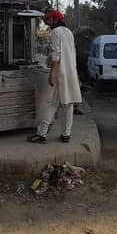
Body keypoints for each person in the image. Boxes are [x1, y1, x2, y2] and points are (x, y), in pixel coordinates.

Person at [27, 10, 82, 143]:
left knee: (52, 104)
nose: (47, 23)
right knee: (68, 104)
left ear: (56, 20)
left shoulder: (55, 33)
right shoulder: (68, 32)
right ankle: (66, 134)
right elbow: (72, 53)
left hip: (61, 73)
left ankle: (41, 134)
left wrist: (51, 74)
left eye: (49, 20)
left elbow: (56, 55)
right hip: (71, 72)